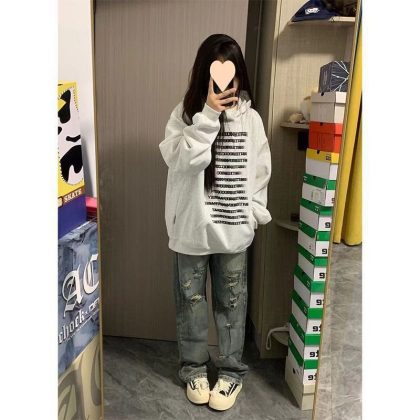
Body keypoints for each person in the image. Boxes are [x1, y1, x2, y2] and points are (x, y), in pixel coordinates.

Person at [158, 34, 272, 411]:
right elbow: (183, 161)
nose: (225, 85)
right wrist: (207, 115)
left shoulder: (251, 120)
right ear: (203, 76)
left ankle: (230, 372)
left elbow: (261, 172)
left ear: (239, 77)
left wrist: (253, 216)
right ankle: (193, 368)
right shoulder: (184, 115)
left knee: (231, 306)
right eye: (217, 76)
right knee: (190, 305)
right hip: (190, 231)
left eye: (231, 76)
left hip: (233, 233)